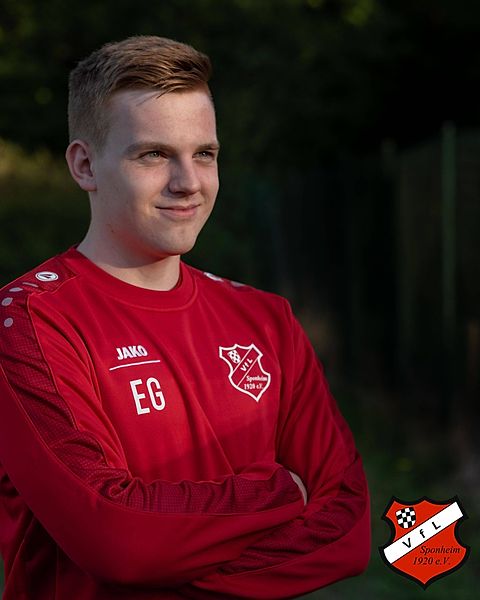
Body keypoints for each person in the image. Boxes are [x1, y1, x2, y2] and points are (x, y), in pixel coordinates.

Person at [0, 36, 370, 599]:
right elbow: (115, 538)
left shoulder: (266, 320)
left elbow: (347, 531)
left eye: (205, 154)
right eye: (153, 155)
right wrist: (280, 493)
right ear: (84, 165)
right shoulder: (28, 322)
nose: (188, 182)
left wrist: (158, 566)